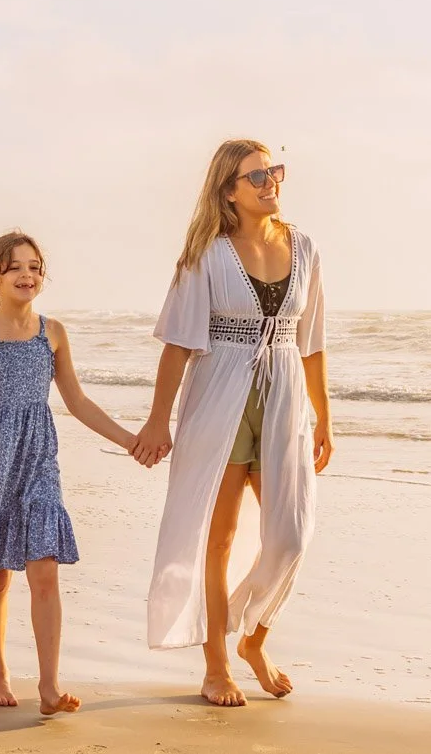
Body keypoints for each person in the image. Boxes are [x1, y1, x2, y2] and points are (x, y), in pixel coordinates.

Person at [0, 232, 143, 715]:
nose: (26, 275)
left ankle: (50, 686)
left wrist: (129, 440)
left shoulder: (52, 332)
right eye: (15, 267)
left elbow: (76, 401)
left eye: (34, 266)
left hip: (38, 459)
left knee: (45, 569)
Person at [132, 140, 333, 707]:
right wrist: (157, 422)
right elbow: (177, 344)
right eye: (258, 175)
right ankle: (216, 665)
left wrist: (325, 417)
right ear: (228, 190)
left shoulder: (306, 247)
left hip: (285, 397)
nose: (272, 181)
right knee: (216, 540)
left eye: (275, 171)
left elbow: (312, 341)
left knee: (291, 534)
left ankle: (253, 638)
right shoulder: (206, 254)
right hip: (219, 398)